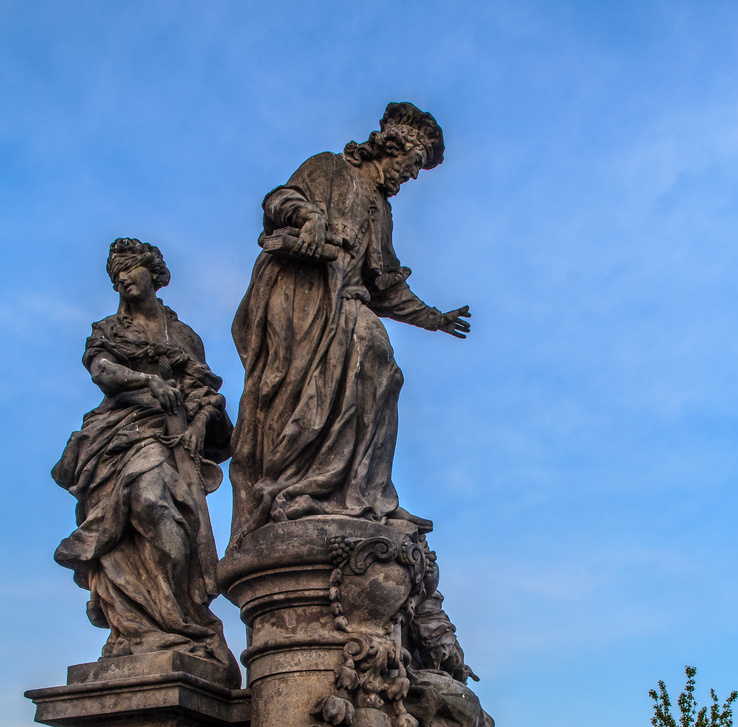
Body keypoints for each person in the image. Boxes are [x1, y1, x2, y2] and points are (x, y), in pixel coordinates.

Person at [228, 102, 471, 543]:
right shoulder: (330, 168)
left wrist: (435, 318)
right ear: (390, 148)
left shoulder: (382, 211)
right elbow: (279, 199)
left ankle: (364, 493)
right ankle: (296, 485)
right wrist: (308, 217)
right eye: (412, 164)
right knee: (303, 399)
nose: (410, 176)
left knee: (381, 369)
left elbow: (386, 288)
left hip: (349, 304)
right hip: (304, 300)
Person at [53, 238, 239, 684]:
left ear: (153, 274)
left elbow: (204, 393)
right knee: (147, 502)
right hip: (123, 435)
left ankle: (177, 620)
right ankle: (146, 626)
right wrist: (146, 382)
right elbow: (102, 371)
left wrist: (196, 428)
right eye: (115, 274)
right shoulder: (109, 331)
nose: (121, 279)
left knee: (177, 533)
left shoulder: (184, 337)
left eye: (129, 269)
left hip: (175, 439)